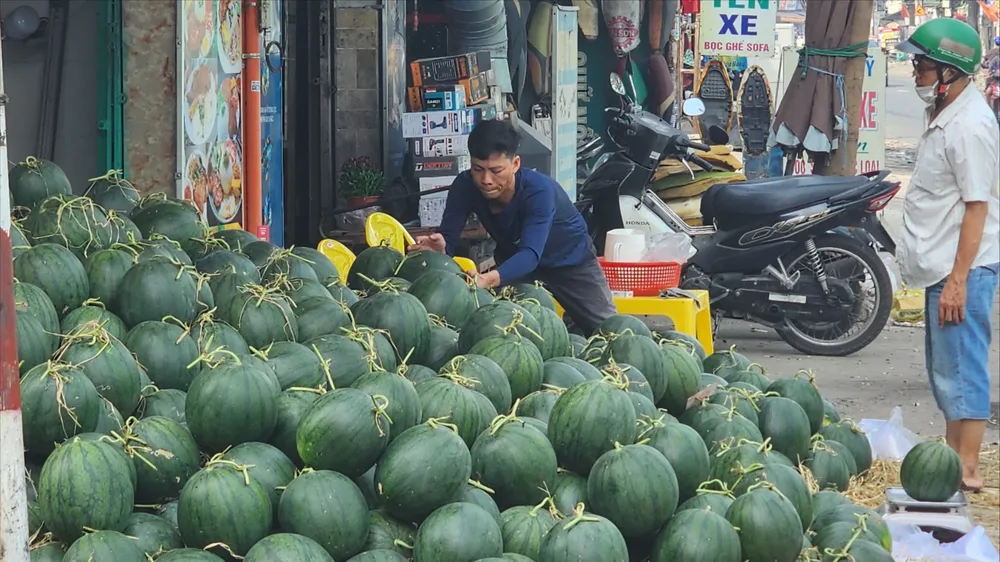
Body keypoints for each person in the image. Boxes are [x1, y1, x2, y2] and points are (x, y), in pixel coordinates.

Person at [897, 19, 1000, 492]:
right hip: (945, 264)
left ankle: (969, 468)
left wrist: (959, 279)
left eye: (922, 65)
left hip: (964, 268)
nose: (915, 72)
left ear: (948, 72)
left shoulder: (971, 126)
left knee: (963, 369)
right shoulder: (948, 112)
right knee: (948, 373)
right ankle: (953, 462)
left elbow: (978, 207)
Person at [408, 119, 617, 335]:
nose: (486, 179)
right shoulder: (465, 185)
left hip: (569, 262)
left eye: (496, 170)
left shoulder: (539, 191)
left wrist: (488, 278)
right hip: (514, 263)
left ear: (515, 164)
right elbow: (449, 239)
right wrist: (441, 248)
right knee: (505, 331)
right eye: (478, 169)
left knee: (610, 331)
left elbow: (530, 254)